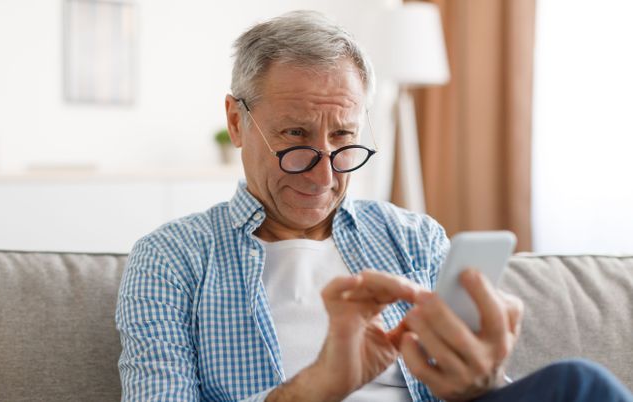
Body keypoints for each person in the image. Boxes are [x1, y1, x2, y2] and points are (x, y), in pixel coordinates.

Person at [115, 10, 633, 402]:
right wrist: (317, 386)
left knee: (580, 384)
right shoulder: (171, 258)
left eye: (343, 138)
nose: (324, 174)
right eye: (295, 136)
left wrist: (484, 376)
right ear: (236, 121)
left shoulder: (413, 238)